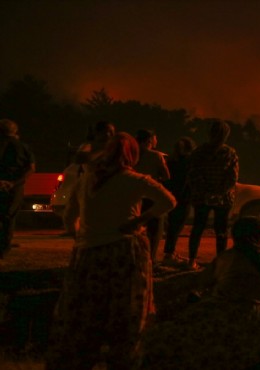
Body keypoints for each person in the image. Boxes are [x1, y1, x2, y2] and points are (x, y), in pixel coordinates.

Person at [46, 132, 176, 370]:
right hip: (123, 251)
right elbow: (169, 201)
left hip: (87, 253)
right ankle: (122, 359)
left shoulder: (88, 179)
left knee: (85, 309)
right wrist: (139, 221)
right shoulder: (136, 180)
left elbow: (69, 215)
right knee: (125, 310)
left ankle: (80, 357)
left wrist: (82, 235)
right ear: (132, 155)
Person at [140, 217, 260, 369]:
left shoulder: (231, 256)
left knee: (159, 340)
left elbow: (202, 282)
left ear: (235, 236)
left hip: (236, 320)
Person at [187, 120, 238, 270]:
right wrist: (219, 193)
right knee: (221, 230)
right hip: (223, 199)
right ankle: (220, 262)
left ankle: (192, 260)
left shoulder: (199, 152)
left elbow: (193, 174)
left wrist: (205, 192)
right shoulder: (230, 153)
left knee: (198, 227)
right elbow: (232, 177)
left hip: (201, 197)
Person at [62, 121, 116, 236]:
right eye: (106, 131)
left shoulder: (117, 145)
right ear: (97, 133)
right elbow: (79, 159)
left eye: (112, 132)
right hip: (88, 180)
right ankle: (77, 238)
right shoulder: (89, 145)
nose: (110, 135)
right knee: (71, 214)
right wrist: (103, 150)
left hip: (110, 182)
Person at [133, 129, 171, 261]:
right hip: (151, 196)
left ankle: (135, 257)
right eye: (155, 138)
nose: (156, 141)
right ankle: (151, 259)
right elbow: (166, 176)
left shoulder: (131, 155)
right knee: (155, 231)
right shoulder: (156, 156)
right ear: (149, 140)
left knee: (135, 228)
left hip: (134, 197)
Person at [0, 119, 35, 258]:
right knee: (9, 217)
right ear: (14, 131)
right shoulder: (23, 147)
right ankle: (3, 248)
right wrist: (14, 183)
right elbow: (31, 168)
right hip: (14, 186)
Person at [162, 136, 196, 266]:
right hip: (183, 198)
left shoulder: (170, 161)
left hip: (171, 195)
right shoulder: (189, 162)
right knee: (176, 226)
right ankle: (169, 254)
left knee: (172, 226)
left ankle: (170, 252)